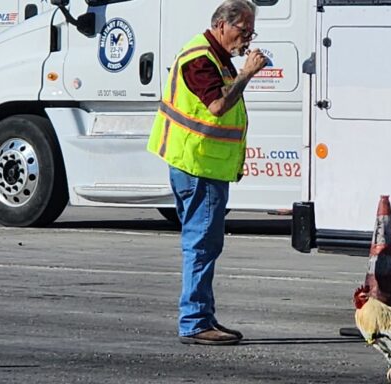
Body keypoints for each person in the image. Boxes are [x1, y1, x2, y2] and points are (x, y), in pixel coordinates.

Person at [147, 0, 268, 345]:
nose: (246, 39)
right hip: (198, 165)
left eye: (250, 32)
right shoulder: (200, 58)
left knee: (202, 243)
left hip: (201, 164)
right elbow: (216, 106)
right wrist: (247, 73)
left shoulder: (214, 56)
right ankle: (195, 321)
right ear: (220, 25)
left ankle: (202, 316)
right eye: (242, 31)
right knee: (201, 244)